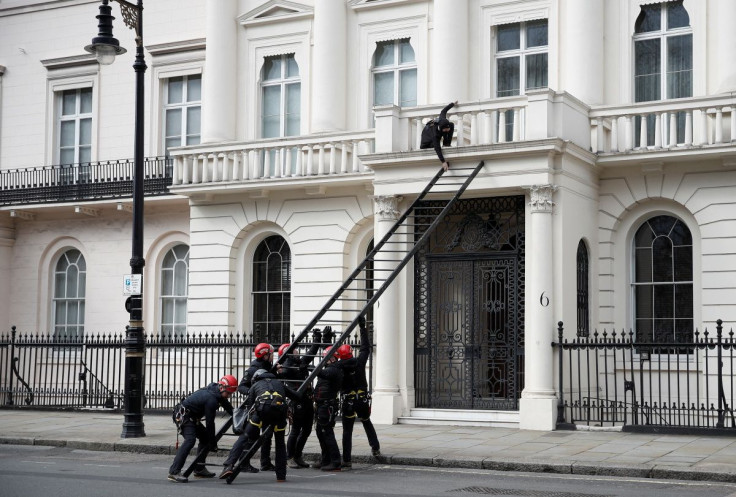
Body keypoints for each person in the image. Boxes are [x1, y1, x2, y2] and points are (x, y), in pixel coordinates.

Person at [218, 369, 297, 483]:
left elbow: (250, 407)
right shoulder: (279, 384)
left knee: (244, 437)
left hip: (261, 412)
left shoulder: (255, 385)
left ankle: (229, 465)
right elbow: (297, 396)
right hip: (279, 413)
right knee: (280, 443)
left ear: (256, 378)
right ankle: (281, 476)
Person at [277, 326, 331, 469]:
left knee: (306, 430)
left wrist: (317, 339)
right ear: (287, 354)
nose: (296, 351)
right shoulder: (288, 367)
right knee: (295, 430)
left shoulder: (298, 362)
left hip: (307, 399)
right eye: (293, 350)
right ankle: (290, 457)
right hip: (297, 402)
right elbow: (286, 373)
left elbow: (311, 353)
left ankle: (298, 454)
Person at [167, 374, 236, 483]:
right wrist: (213, 443)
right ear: (222, 387)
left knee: (204, 438)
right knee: (190, 440)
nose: (229, 396)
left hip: (192, 417)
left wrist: (238, 416)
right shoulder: (211, 399)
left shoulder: (216, 392)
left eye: (231, 394)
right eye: (228, 393)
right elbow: (210, 424)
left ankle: (199, 469)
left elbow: (229, 408)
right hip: (184, 416)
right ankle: (174, 472)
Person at [221, 342, 276, 474]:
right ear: (265, 355)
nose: (273, 356)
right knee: (252, 437)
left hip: (266, 405)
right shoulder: (252, 369)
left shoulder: (268, 367)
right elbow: (241, 387)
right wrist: (255, 391)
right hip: (255, 407)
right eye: (271, 354)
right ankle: (244, 463)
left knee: (267, 435)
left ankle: (265, 462)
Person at [338, 316, 381, 469]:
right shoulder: (359, 362)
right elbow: (365, 347)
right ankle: (375, 447)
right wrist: (362, 328)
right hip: (361, 399)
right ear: (350, 352)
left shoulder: (339, 367)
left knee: (347, 431)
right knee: (367, 422)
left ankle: (347, 460)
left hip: (349, 402)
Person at [312, 337, 344, 471]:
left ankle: (335, 462)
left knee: (327, 433)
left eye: (326, 358)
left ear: (332, 358)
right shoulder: (331, 367)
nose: (324, 360)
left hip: (327, 406)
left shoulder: (334, 369)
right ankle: (325, 459)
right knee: (321, 432)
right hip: (322, 405)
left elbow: (322, 373)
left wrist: (310, 367)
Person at [420, 100, 458, 171]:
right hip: (427, 144)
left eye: (447, 129)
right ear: (440, 128)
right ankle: (446, 143)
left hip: (436, 133)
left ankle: (446, 144)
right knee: (438, 142)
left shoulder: (442, 118)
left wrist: (453, 104)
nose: (447, 131)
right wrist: (443, 162)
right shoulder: (435, 134)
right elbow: (437, 148)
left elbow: (444, 110)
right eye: (445, 129)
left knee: (451, 125)